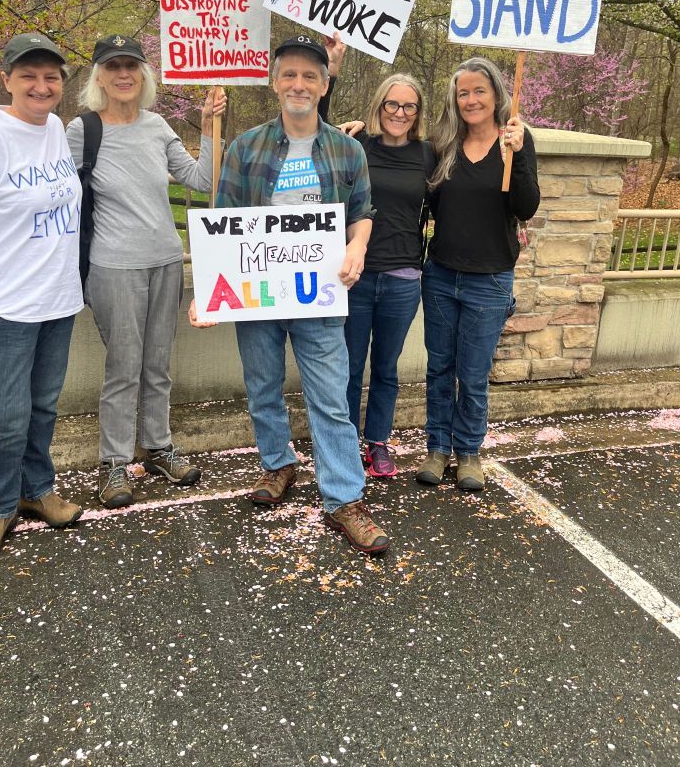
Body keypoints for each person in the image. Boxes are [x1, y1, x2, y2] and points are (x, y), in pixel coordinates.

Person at [190, 34, 389, 555]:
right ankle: (278, 465)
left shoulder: (348, 151)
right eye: (289, 75)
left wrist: (359, 248)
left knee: (330, 396)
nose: (298, 84)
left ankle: (344, 499)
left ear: (325, 85)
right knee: (262, 386)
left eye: (309, 76)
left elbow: (362, 213)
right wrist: (209, 290)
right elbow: (221, 222)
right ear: (274, 82)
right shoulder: (245, 147)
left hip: (320, 295)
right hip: (257, 295)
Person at [66, 35, 226, 509]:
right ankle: (113, 461)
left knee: (157, 363)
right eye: (113, 66)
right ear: (98, 75)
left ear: (143, 75)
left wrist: (212, 127)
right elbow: (53, 193)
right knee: (123, 366)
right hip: (113, 267)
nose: (123, 74)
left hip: (165, 261)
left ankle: (157, 446)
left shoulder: (157, 126)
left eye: (131, 65)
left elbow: (201, 179)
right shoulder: (82, 131)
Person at [0, 33, 84, 559]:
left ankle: (37, 491)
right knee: (5, 414)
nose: (41, 85)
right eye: (28, 75)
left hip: (56, 297)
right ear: (6, 79)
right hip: (3, 305)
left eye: (50, 76)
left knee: (42, 406)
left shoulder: (54, 127)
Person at [416, 56, 540, 491]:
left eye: (479, 91)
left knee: (472, 374)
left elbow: (526, 207)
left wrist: (521, 152)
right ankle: (437, 447)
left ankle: (468, 451)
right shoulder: (443, 145)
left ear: (496, 95)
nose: (470, 99)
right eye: (463, 92)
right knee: (439, 368)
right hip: (441, 275)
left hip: (490, 280)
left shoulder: (515, 144)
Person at [321, 71, 435, 478]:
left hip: (404, 277)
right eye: (392, 104)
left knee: (386, 368)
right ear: (379, 106)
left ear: (417, 111)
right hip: (355, 275)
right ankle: (346, 440)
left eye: (408, 106)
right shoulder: (356, 145)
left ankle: (377, 442)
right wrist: (332, 74)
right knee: (348, 367)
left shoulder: (427, 154)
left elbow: (453, 203)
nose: (399, 113)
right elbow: (315, 131)